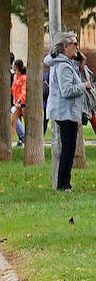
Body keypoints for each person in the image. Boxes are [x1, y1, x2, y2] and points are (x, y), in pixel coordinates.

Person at [45, 32, 88, 192]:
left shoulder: (66, 64)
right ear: (65, 46)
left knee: (69, 148)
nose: (77, 47)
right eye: (74, 44)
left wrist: (80, 64)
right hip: (65, 112)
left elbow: (72, 79)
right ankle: (63, 184)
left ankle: (64, 183)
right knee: (68, 149)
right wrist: (85, 86)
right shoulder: (62, 65)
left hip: (67, 112)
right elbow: (67, 90)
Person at [11, 60, 28, 143]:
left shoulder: (24, 77)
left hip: (22, 103)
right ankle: (9, 142)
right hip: (16, 103)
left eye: (14, 65)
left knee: (26, 122)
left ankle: (27, 140)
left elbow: (24, 91)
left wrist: (19, 101)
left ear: (16, 67)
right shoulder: (15, 76)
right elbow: (14, 89)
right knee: (12, 120)